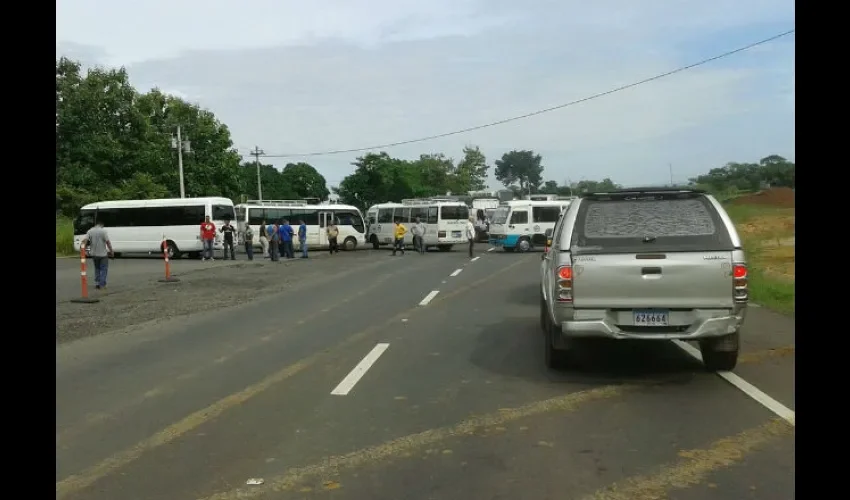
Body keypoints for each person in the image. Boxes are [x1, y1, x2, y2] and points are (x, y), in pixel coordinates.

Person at [81, 221, 114, 289]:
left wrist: (83, 250)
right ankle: (102, 284)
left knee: (97, 268)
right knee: (104, 269)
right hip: (103, 254)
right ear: (101, 224)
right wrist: (111, 251)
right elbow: (108, 242)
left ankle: (97, 283)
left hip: (94, 254)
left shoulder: (90, 231)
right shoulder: (103, 231)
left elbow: (85, 240)